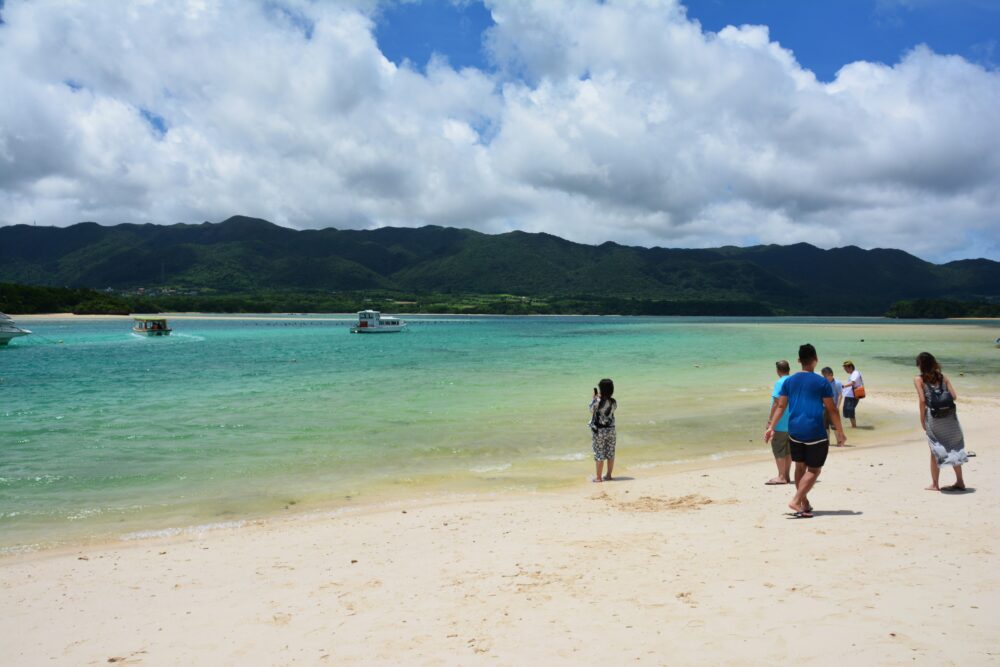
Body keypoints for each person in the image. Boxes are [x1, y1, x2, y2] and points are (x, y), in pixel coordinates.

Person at [765, 344, 846, 518]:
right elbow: (832, 409)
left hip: (794, 431)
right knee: (814, 469)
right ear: (816, 359)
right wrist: (839, 431)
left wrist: (771, 426)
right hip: (815, 431)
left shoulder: (789, 381)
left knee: (800, 466)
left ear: (798, 361)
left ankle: (804, 503)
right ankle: (796, 500)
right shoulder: (821, 382)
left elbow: (780, 405)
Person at [914, 352, 968, 491]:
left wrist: (922, 420)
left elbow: (922, 401)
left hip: (934, 417)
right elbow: (954, 396)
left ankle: (935, 484)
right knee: (954, 445)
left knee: (934, 447)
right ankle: (960, 481)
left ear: (920, 365)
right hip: (950, 417)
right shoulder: (943, 377)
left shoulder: (919, 380)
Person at [766, 361, 792, 485]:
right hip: (792, 422)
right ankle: (786, 475)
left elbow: (777, 403)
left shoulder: (780, 383)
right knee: (788, 451)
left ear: (778, 370)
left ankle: (781, 476)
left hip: (780, 422)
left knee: (779, 449)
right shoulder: (793, 381)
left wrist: (771, 422)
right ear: (789, 369)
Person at [589, 378, 617, 482]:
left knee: (599, 453)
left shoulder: (597, 401)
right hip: (611, 430)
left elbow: (591, 410)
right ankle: (609, 475)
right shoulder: (613, 402)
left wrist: (594, 399)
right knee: (610, 453)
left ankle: (598, 477)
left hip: (599, 431)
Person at [820, 367, 843, 442]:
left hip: (833, 407)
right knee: (825, 425)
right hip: (824, 407)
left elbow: (840, 395)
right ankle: (827, 442)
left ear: (831, 374)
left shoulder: (837, 383)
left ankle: (839, 442)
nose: (825, 377)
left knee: (835, 426)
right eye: (823, 376)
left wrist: (837, 407)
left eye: (826, 375)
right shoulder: (823, 383)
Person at [841, 360, 864, 428]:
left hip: (852, 395)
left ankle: (854, 426)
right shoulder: (854, 373)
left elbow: (852, 383)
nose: (845, 370)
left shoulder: (855, 373)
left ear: (850, 367)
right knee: (848, 410)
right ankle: (853, 425)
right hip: (851, 395)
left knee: (850, 411)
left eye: (846, 369)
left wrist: (843, 386)